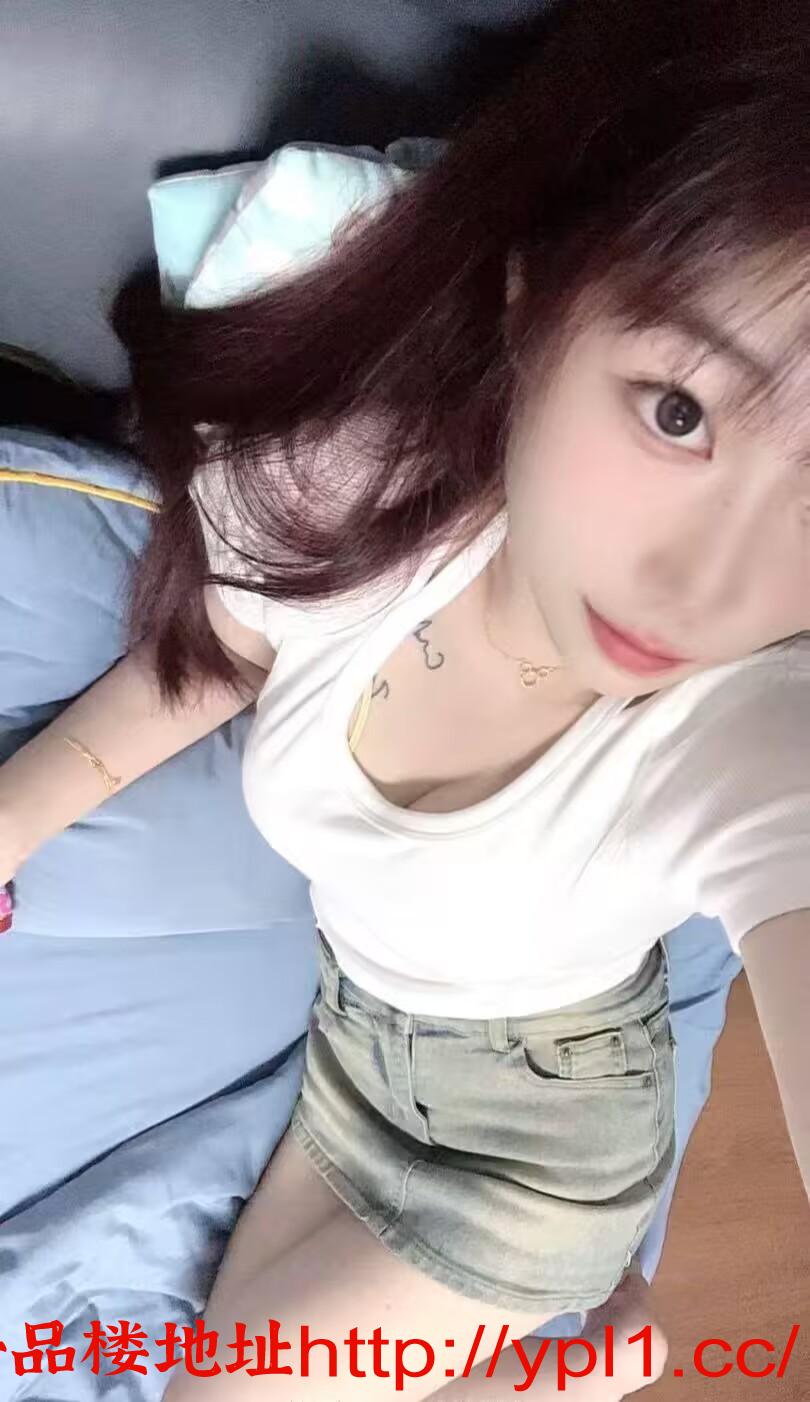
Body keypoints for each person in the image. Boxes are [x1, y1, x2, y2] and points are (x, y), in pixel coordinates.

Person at [2, 0, 808, 1396]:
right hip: (352, 1053)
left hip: (537, 1157)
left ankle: (576, 1346)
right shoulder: (362, 492)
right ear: (535, 299)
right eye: (677, 411)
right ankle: (590, 1362)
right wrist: (13, 817)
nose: (704, 585)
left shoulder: (743, 730)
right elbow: (230, 648)